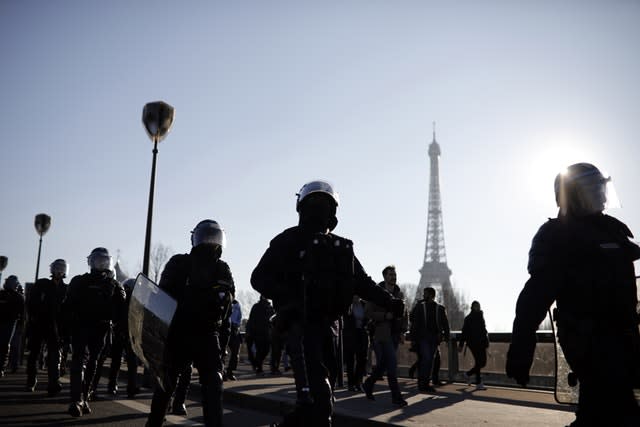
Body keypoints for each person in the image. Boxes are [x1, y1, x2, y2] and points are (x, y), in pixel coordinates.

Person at [251, 180, 405, 427]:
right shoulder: (293, 241)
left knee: (318, 402)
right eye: (315, 204)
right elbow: (259, 278)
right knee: (321, 400)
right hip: (303, 327)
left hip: (327, 329)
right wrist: (293, 296)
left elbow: (361, 281)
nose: (317, 210)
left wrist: (390, 302)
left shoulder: (336, 247)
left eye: (322, 205)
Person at [506, 162, 640, 426]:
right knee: (618, 410)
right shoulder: (557, 236)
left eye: (602, 188)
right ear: (575, 195)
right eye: (594, 189)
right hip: (588, 339)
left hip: (623, 339)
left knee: (601, 411)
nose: (601, 195)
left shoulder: (613, 229)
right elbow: (535, 296)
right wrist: (522, 346)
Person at [146, 219, 234, 427]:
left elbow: (226, 306)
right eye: (206, 235)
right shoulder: (179, 263)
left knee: (213, 383)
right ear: (195, 238)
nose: (210, 241)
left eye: (214, 236)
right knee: (167, 383)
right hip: (180, 332)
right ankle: (154, 423)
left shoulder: (222, 268)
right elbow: (162, 298)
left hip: (206, 333)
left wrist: (223, 342)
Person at [64, 248, 126, 417]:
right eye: (97, 259)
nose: (101, 263)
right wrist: (65, 327)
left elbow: (122, 312)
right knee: (78, 360)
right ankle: (75, 400)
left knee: (94, 362)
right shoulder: (79, 281)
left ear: (109, 262)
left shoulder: (114, 285)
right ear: (91, 261)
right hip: (81, 327)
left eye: (104, 260)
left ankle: (84, 397)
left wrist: (121, 330)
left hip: (102, 329)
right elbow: (67, 306)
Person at [362, 266, 408, 406]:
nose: (393, 277)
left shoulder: (399, 293)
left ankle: (369, 384)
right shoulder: (376, 293)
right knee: (392, 364)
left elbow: (405, 313)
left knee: (383, 364)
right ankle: (396, 396)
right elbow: (368, 312)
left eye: (394, 274)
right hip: (382, 334)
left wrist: (403, 331)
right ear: (384, 277)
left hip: (395, 333)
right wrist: (384, 316)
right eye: (390, 274)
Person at [25, 259, 69, 395]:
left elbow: (68, 310)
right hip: (39, 324)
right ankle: (31, 381)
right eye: (57, 267)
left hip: (55, 327)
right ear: (52, 269)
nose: (59, 270)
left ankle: (53, 383)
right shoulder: (42, 284)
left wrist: (65, 328)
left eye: (62, 268)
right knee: (34, 354)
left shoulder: (66, 289)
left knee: (55, 356)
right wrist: (33, 318)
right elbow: (31, 303)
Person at [410, 287, 450, 393]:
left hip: (433, 339)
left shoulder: (440, 308)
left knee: (428, 361)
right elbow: (412, 319)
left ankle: (424, 383)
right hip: (423, 338)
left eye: (425, 294)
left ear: (431, 295)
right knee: (427, 360)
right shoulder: (421, 307)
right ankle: (424, 383)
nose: (423, 296)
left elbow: (445, 324)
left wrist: (446, 336)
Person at [106, 277, 140, 398]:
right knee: (131, 362)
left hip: (121, 332)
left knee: (117, 360)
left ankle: (113, 385)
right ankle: (131, 387)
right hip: (129, 334)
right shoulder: (136, 301)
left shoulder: (122, 298)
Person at [458, 300, 489, 390]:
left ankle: (468, 374)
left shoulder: (480, 317)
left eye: (478, 306)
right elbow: (464, 332)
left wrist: (486, 342)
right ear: (472, 307)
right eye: (476, 306)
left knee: (482, 363)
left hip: (481, 343)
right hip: (473, 343)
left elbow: (484, 331)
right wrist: (461, 345)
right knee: (479, 362)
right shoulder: (469, 318)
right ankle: (478, 383)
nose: (478, 307)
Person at [0, 275, 25, 378]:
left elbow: (22, 314)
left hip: (11, 323)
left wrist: (22, 325)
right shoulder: (1, 294)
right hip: (5, 322)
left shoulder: (19, 297)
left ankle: (2, 367)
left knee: (6, 345)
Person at [343, 295, 368, 392]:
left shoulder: (364, 304)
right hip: (351, 334)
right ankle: (351, 383)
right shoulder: (348, 305)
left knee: (362, 359)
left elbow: (369, 317)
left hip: (362, 333)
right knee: (351, 359)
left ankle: (358, 382)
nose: (357, 296)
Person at [245, 295, 275, 375]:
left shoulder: (270, 307)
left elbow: (273, 318)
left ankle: (257, 364)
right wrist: (250, 331)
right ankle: (259, 368)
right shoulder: (256, 307)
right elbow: (251, 319)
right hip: (257, 332)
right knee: (260, 350)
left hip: (267, 332)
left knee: (266, 350)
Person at [225, 299, 242, 380]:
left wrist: (237, 326)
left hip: (234, 328)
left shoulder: (237, 304)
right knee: (221, 351)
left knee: (236, 350)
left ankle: (230, 371)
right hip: (223, 327)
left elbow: (239, 316)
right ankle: (221, 371)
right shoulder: (222, 299)